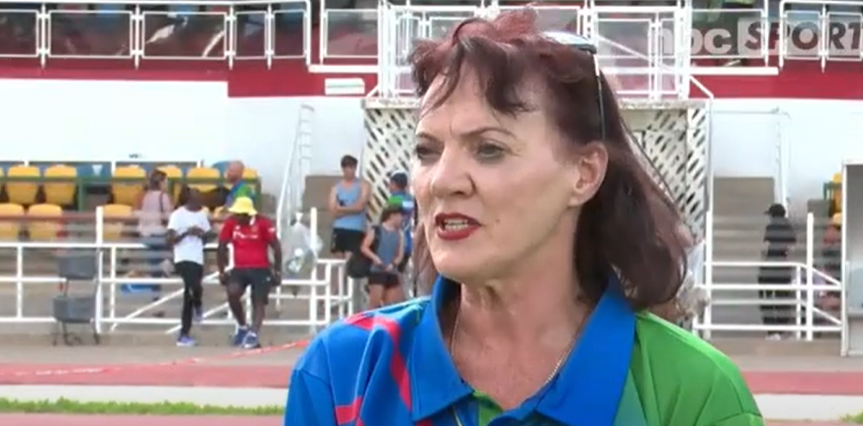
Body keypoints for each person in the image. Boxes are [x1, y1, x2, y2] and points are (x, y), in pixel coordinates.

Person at [285, 11, 761, 426]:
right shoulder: (342, 373)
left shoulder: (695, 392)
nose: (442, 180)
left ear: (584, 173)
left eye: (489, 149)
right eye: (427, 151)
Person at [217, 197, 282, 349]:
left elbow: (276, 247)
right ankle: (242, 327)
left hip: (261, 268)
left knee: (258, 301)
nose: (236, 217)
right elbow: (221, 246)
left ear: (248, 214)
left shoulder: (263, 223)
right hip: (239, 268)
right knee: (232, 293)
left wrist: (278, 271)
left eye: (239, 214)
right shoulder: (231, 223)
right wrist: (221, 271)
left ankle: (253, 334)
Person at [167, 187, 213, 347]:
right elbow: (170, 239)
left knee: (192, 291)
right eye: (197, 197)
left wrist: (201, 234)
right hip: (182, 257)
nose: (200, 200)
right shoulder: (178, 215)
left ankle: (185, 331)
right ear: (189, 199)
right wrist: (187, 232)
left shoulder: (202, 215)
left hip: (197, 258)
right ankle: (186, 328)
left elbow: (208, 236)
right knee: (192, 288)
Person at [757, 203, 797, 340]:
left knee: (765, 298)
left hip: (770, 266)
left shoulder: (771, 227)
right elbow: (792, 249)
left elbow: (764, 248)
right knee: (783, 298)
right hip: (784, 267)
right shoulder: (790, 228)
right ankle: (782, 329)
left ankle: (772, 330)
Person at [359, 205, 406, 309]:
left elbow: (400, 254)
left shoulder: (400, 234)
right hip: (377, 271)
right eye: (400, 216)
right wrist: (375, 258)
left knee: (391, 306)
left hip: (391, 271)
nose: (401, 219)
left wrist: (393, 264)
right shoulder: (376, 230)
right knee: (374, 304)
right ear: (392, 216)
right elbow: (364, 247)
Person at [135, 169, 173, 295]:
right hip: (159, 234)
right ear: (161, 183)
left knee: (154, 266)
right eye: (166, 181)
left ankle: (155, 295)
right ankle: (167, 264)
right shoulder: (164, 196)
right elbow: (169, 216)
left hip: (146, 235)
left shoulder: (146, 196)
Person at [328, 155, 370, 258]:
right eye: (348, 167)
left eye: (353, 168)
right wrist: (351, 208)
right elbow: (333, 211)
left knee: (351, 259)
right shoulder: (336, 188)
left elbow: (360, 207)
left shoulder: (363, 185)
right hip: (339, 228)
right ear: (343, 169)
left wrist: (340, 208)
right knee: (337, 259)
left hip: (355, 229)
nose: (351, 171)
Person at [386, 171, 416, 295]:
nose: (389, 186)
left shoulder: (394, 199)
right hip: (408, 242)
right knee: (403, 275)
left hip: (394, 242)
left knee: (393, 278)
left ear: (394, 184)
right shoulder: (411, 199)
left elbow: (388, 220)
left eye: (390, 183)